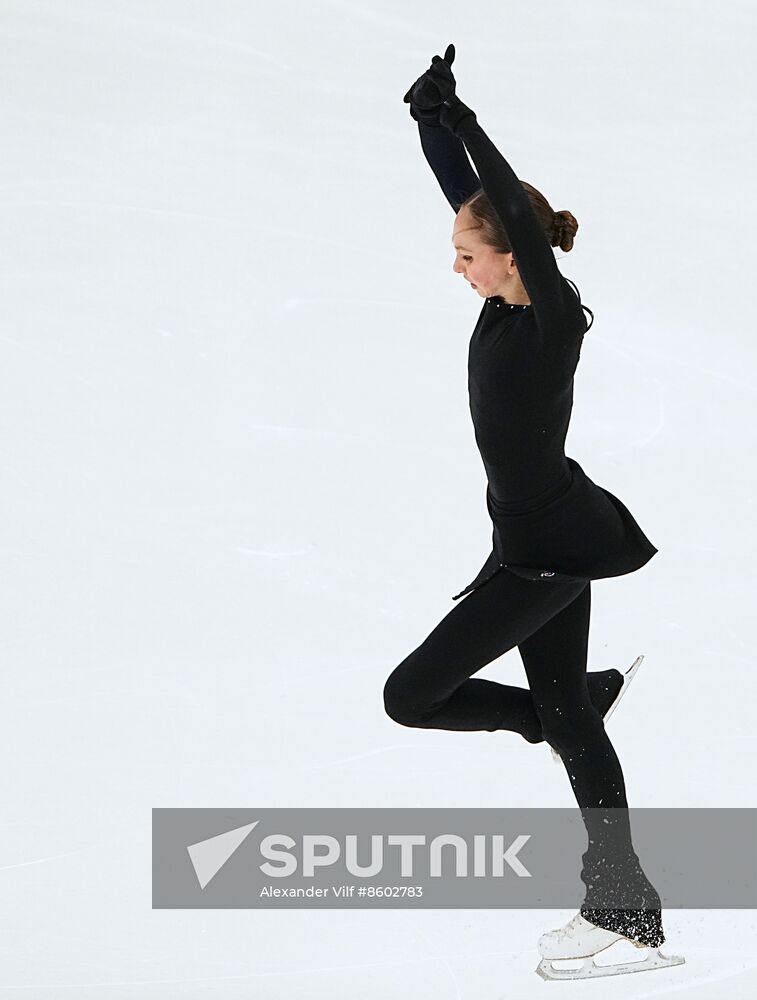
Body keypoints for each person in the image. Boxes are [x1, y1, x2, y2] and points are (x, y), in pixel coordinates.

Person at [383, 45, 684, 980]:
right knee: (566, 713)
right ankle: (625, 912)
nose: (458, 270)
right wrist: (431, 121)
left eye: (468, 257)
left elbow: (506, 207)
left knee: (411, 697)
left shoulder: (549, 312)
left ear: (512, 256)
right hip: (537, 534)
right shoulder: (502, 303)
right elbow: (473, 202)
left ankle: (560, 719)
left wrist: (468, 119)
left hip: (550, 548)